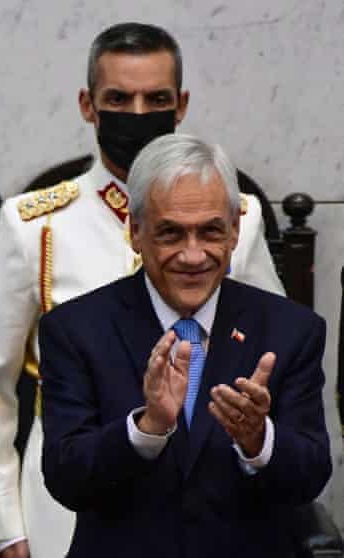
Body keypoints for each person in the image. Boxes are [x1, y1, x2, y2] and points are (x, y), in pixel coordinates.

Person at [0, 23, 285, 557]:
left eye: (155, 98)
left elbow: (276, 348)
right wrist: (2, 524)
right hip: (71, 495)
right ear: (88, 105)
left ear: (180, 105)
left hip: (209, 488)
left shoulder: (238, 220)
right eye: (119, 98)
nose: (137, 114)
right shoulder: (36, 226)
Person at [40, 133, 331, 557]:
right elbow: (66, 478)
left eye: (210, 231)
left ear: (234, 230)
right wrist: (147, 429)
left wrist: (258, 440)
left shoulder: (290, 330)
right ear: (135, 232)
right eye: (171, 234)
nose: (193, 256)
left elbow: (311, 475)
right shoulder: (74, 329)